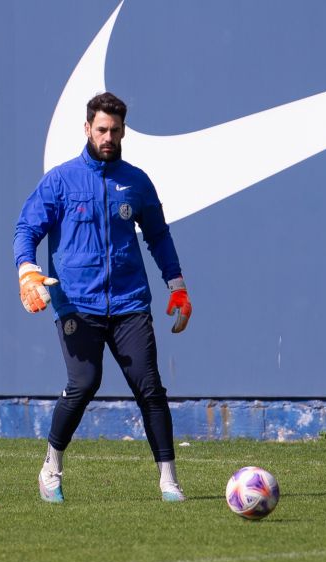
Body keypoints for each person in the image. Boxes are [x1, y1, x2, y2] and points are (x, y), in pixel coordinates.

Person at [14, 92, 192, 504]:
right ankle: (51, 468)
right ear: (87, 129)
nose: (108, 137)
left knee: (150, 388)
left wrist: (177, 285)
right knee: (84, 383)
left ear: (124, 130)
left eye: (114, 130)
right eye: (101, 129)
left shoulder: (137, 181)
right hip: (76, 302)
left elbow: (159, 236)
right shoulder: (61, 180)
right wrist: (27, 271)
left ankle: (169, 481)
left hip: (130, 301)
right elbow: (26, 228)